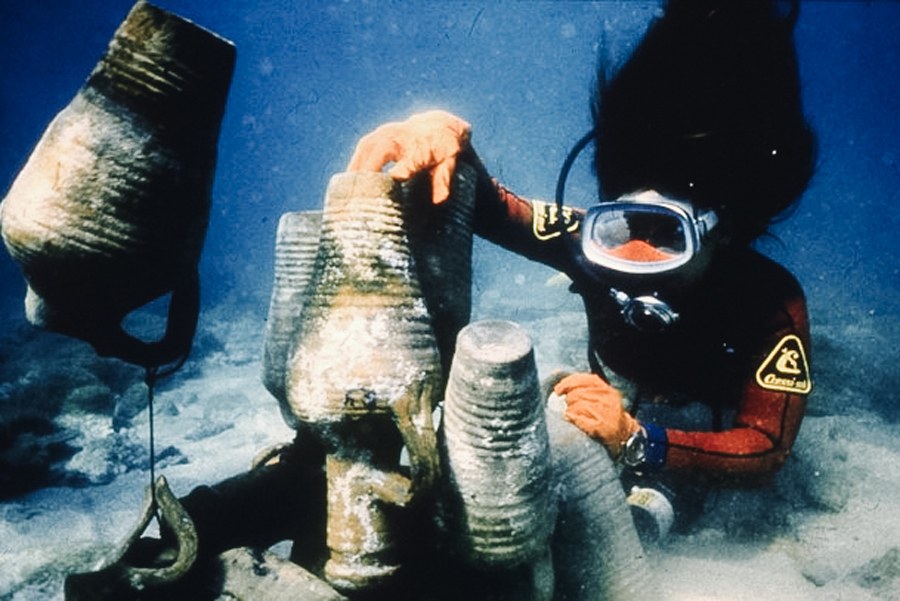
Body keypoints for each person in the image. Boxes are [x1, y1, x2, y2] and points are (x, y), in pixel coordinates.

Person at [347, 0, 816, 538]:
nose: (633, 260)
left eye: (668, 235)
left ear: (726, 228)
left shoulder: (771, 303)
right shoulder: (579, 239)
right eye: (617, 227)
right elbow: (494, 207)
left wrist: (642, 441)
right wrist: (442, 134)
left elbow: (766, 446)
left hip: (705, 395)